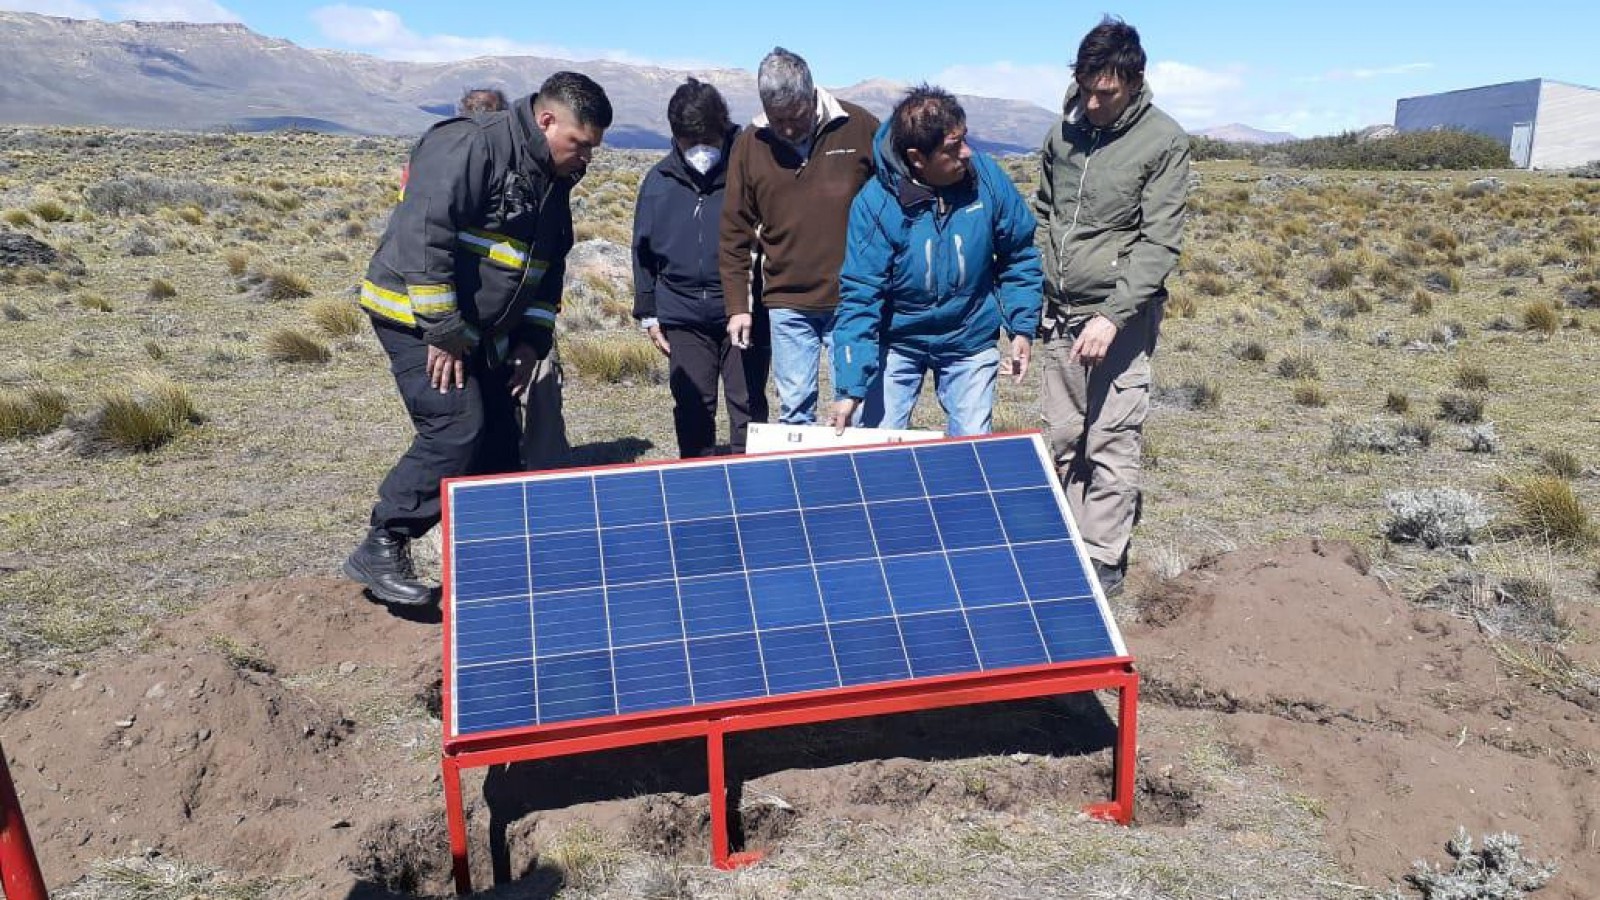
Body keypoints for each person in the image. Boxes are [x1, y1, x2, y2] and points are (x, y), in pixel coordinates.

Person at [345, 72, 611, 606]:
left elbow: (546, 267)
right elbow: (427, 239)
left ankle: (492, 562)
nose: (585, 158)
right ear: (547, 120)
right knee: (455, 426)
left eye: (593, 150)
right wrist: (443, 333)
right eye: (579, 145)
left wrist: (532, 341)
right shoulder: (470, 145)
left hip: (479, 330)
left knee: (497, 443)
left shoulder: (552, 178)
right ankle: (384, 540)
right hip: (416, 317)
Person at [1036, 17, 1190, 596]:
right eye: (1086, 87)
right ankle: (1066, 541)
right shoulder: (1063, 135)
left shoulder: (1162, 140)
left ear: (1134, 80)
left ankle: (1102, 558)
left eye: (1108, 92)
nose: (1095, 102)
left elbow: (1160, 240)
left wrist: (1113, 314)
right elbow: (1047, 217)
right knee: (1063, 433)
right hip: (1060, 312)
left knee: (1111, 435)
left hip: (1117, 317)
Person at [828, 86, 1040, 437]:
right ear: (917, 158)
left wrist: (1022, 326)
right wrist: (850, 390)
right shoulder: (876, 203)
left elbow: (1018, 254)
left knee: (971, 446)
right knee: (878, 445)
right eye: (953, 148)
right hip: (897, 340)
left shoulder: (987, 181)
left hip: (968, 336)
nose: (967, 153)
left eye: (965, 139)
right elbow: (861, 294)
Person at [720, 47, 877, 425]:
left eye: (796, 116)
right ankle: (806, 482)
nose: (788, 129)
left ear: (811, 94)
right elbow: (734, 229)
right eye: (778, 119)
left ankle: (852, 482)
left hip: (852, 301)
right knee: (795, 413)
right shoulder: (750, 143)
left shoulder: (860, 127)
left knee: (853, 411)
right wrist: (738, 306)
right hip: (787, 303)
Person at [633, 79, 769, 457]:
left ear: (724, 129)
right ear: (675, 137)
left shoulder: (749, 174)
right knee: (693, 407)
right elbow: (642, 251)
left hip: (745, 310)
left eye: (708, 139)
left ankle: (753, 485)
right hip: (683, 313)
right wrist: (648, 312)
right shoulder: (658, 182)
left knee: (748, 405)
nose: (700, 150)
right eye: (690, 142)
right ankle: (698, 488)